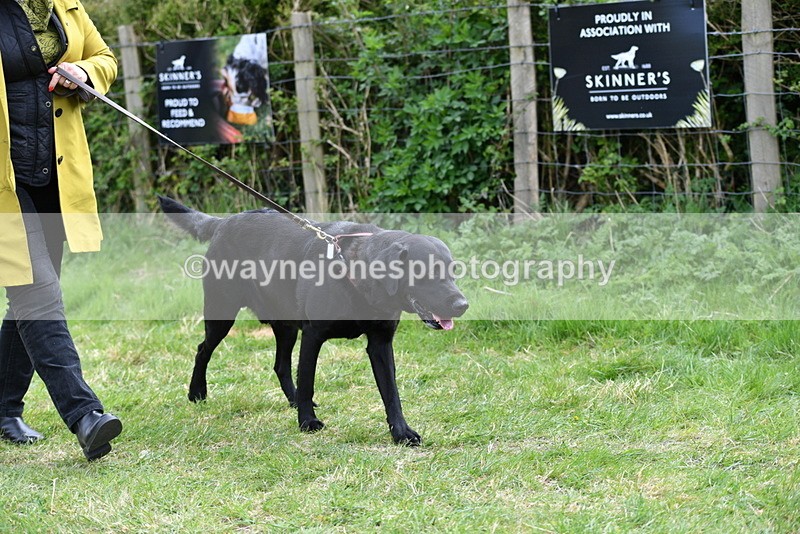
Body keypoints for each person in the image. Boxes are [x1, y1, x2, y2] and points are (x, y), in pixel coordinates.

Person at [0, 0, 123, 461]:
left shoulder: (64, 5)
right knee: (38, 292)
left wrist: (84, 73)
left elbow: (105, 57)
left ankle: (3, 409)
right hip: (5, 184)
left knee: (30, 295)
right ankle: (84, 414)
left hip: (55, 174)